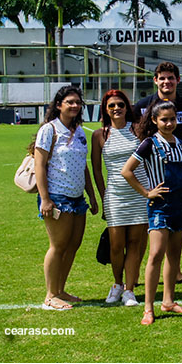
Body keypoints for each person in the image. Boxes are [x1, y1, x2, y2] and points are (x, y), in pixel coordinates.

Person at [122, 100, 182, 325]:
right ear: (154, 121)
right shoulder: (149, 144)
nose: (169, 123)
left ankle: (168, 301)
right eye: (164, 119)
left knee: (174, 255)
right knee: (156, 254)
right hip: (161, 206)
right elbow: (127, 171)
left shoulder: (181, 144)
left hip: (180, 204)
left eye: (172, 119)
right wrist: (146, 192)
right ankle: (148, 307)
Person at [34, 86, 99, 310]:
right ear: (59, 104)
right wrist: (45, 198)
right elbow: (39, 165)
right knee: (58, 245)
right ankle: (50, 296)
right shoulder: (49, 130)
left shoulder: (80, 131)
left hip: (77, 197)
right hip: (57, 197)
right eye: (69, 101)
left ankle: (60, 289)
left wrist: (91, 195)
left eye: (77, 102)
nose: (74, 105)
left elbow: (84, 167)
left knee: (73, 245)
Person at [133, 61, 182, 285]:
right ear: (155, 80)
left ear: (178, 80)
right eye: (162, 78)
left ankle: (175, 273)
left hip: (175, 172)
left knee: (173, 231)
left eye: (171, 78)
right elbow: (135, 137)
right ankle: (133, 275)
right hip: (147, 170)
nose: (166, 82)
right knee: (144, 228)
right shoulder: (142, 106)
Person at [91, 89, 147, 307]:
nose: (116, 109)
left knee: (135, 243)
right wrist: (103, 197)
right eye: (111, 105)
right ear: (105, 109)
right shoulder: (100, 135)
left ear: (127, 107)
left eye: (120, 105)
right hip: (115, 195)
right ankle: (117, 284)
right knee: (116, 245)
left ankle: (129, 290)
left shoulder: (138, 130)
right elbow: (97, 170)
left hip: (139, 194)